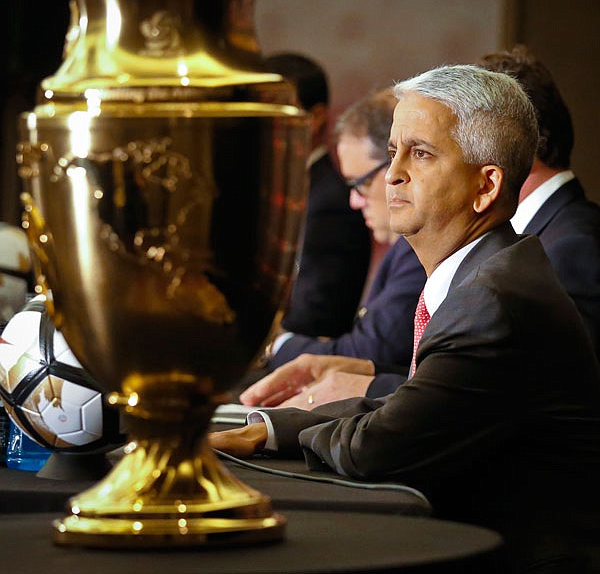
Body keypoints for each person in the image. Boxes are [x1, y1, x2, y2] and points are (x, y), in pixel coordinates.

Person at [212, 64, 600, 574]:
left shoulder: (495, 299)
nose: (393, 173)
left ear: (486, 187)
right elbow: (410, 401)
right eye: (393, 151)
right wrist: (268, 428)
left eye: (420, 153)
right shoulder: (487, 273)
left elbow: (377, 445)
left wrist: (278, 432)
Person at [242, 88, 426, 406]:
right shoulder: (406, 248)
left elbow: (370, 350)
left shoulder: (423, 248)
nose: (354, 200)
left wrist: (276, 346)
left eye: (360, 183)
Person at [479, 45, 600, 358]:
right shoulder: (548, 234)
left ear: (521, 146)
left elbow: (564, 383)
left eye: (474, 138)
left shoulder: (573, 245)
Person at [265, 53, 372, 338]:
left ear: (315, 117)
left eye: (276, 110)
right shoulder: (288, 188)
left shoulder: (331, 202)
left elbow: (311, 317)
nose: (263, 123)